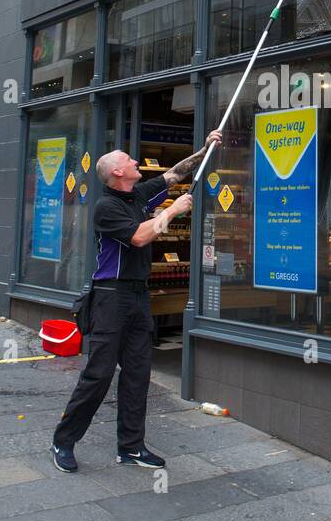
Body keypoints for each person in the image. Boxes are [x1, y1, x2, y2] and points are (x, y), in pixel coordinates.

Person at [51, 129, 223, 472]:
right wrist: (172, 210)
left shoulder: (137, 194)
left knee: (137, 373)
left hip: (137, 296)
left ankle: (130, 447)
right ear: (117, 172)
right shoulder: (106, 207)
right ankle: (63, 441)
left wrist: (205, 149)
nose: (134, 161)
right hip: (110, 298)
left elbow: (175, 174)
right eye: (128, 160)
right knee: (98, 375)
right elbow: (139, 237)